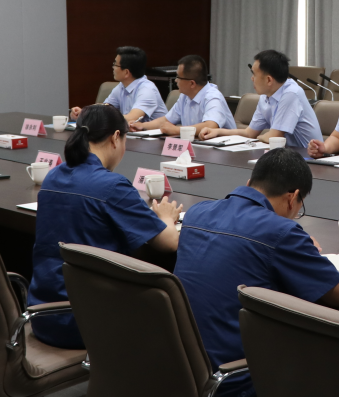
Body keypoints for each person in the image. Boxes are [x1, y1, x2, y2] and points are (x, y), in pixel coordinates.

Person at [176, 149, 339, 397]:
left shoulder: (196, 213)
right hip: (233, 387)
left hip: (181, 376)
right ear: (293, 197)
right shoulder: (281, 232)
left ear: (250, 183)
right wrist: (303, 249)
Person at [29, 103, 182, 349]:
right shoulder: (112, 186)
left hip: (43, 315)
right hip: (91, 322)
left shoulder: (53, 176)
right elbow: (169, 242)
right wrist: (166, 217)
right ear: (115, 137)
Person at [198, 49, 323, 148]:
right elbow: (249, 133)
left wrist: (260, 137)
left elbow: (273, 137)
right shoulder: (265, 97)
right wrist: (217, 131)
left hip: (309, 157)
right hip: (287, 154)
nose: (252, 78)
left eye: (254, 74)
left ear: (269, 80)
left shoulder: (291, 94)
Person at [131, 54, 234, 134]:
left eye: (178, 77)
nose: (176, 80)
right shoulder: (185, 96)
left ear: (192, 83)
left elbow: (210, 126)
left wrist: (176, 130)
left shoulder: (213, 97)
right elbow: (166, 120)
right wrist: (142, 126)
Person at [70, 46, 167, 124]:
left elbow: (131, 119)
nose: (113, 67)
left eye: (115, 64)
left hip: (155, 140)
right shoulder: (121, 86)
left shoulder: (147, 90)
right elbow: (105, 108)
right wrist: (84, 112)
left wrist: (95, 116)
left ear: (126, 72)